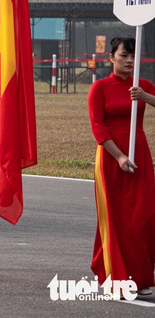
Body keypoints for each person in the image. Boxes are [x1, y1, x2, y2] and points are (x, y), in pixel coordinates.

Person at [88, 37, 155, 297]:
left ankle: (140, 276)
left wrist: (146, 96)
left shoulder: (142, 85)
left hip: (140, 156)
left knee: (144, 216)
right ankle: (115, 275)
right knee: (115, 218)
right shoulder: (100, 88)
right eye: (124, 55)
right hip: (110, 157)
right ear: (111, 58)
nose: (129, 61)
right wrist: (118, 156)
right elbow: (98, 126)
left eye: (132, 57)